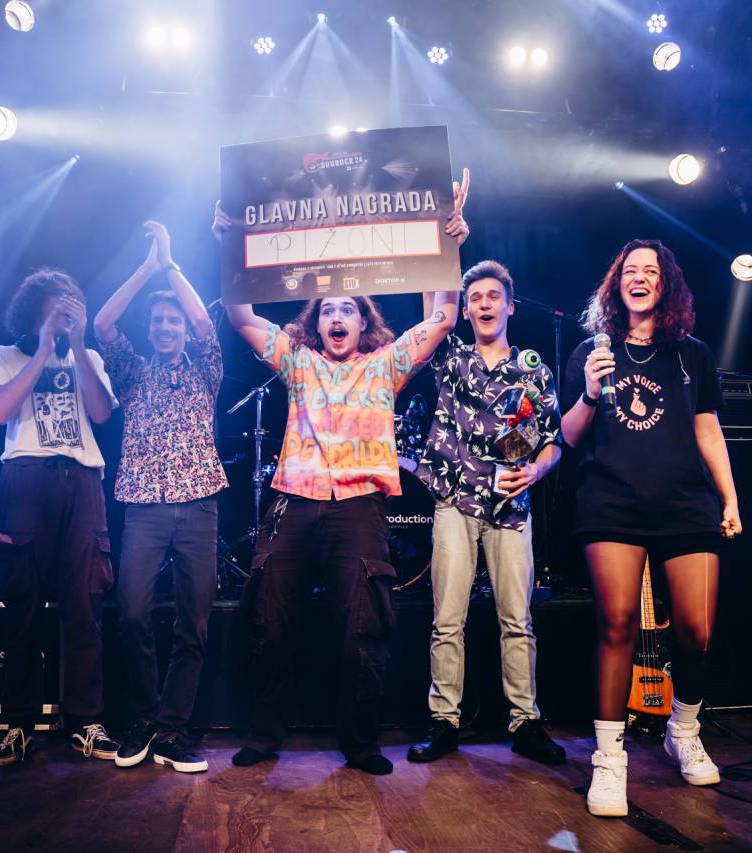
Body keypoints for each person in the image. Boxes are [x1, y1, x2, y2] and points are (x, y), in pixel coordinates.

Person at [216, 178, 469, 775]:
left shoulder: (386, 365)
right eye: (327, 308)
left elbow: (442, 316)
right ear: (316, 321)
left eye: (347, 309)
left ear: (363, 323)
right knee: (270, 619)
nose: (336, 315)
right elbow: (239, 312)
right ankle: (264, 735)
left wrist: (447, 246)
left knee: (363, 626)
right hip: (295, 501)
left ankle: (361, 743)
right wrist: (231, 243)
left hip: (359, 507)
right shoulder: (297, 361)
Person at [559, 239, 743, 817]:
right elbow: (568, 435)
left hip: (685, 504)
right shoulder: (591, 351)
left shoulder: (693, 355)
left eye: (651, 271)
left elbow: (708, 430)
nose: (639, 278)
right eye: (630, 271)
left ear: (667, 285)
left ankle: (682, 729)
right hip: (611, 502)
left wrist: (729, 497)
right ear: (616, 285)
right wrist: (590, 391)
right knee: (616, 624)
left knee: (697, 631)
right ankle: (610, 761)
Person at [406, 259, 566, 766]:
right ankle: (443, 723)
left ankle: (525, 722)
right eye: (474, 298)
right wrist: (445, 246)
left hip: (510, 506)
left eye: (493, 296)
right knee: (447, 620)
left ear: (510, 307)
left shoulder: (533, 370)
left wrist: (536, 470)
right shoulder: (451, 354)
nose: (483, 304)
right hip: (454, 499)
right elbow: (433, 312)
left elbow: (554, 441)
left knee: (517, 619)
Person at [93, 221, 226, 774]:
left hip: (198, 504)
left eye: (173, 320)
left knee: (194, 622)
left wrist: (171, 267)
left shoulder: (206, 370)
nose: (167, 327)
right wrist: (146, 269)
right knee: (132, 613)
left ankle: (173, 729)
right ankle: (145, 720)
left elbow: (205, 322)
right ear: (149, 330)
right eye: (158, 321)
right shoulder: (131, 372)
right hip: (143, 507)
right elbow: (102, 323)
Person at [0, 269, 121, 767]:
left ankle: (85, 721)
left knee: (85, 604)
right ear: (34, 308)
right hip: (26, 478)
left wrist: (76, 346)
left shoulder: (89, 357)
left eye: (72, 303)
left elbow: (101, 414)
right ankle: (18, 725)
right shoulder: (1, 356)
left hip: (82, 479)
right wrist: (42, 349)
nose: (65, 310)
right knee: (23, 605)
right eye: (56, 303)